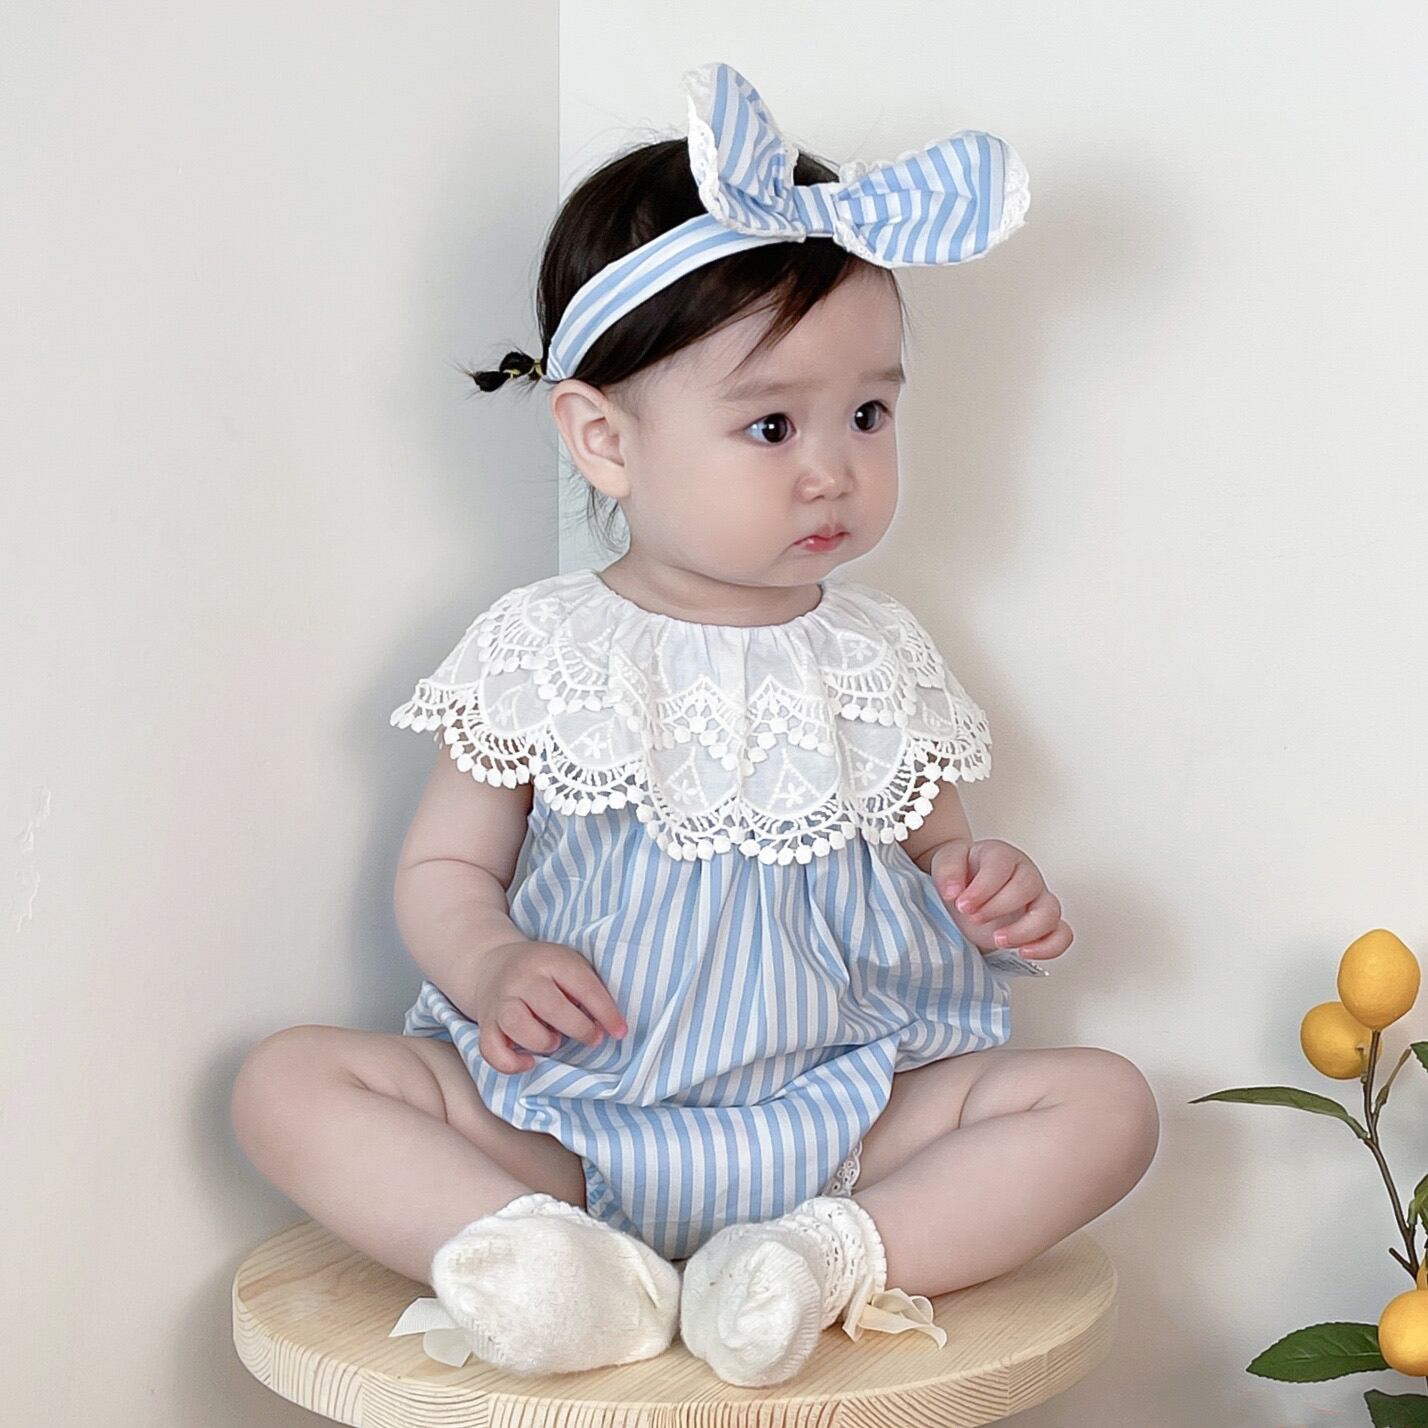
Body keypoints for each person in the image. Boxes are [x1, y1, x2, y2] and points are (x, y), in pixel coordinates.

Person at [230, 61, 1160, 1389]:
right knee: (285, 1083)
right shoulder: (545, 647)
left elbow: (940, 856)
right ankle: (546, 1259)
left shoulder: (877, 657)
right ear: (604, 440)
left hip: (842, 1120)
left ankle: (815, 1261)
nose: (831, 468)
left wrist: (989, 887)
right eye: (771, 424)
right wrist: (492, 964)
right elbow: (445, 863)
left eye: (868, 413)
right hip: (564, 1121)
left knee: (1107, 1106)